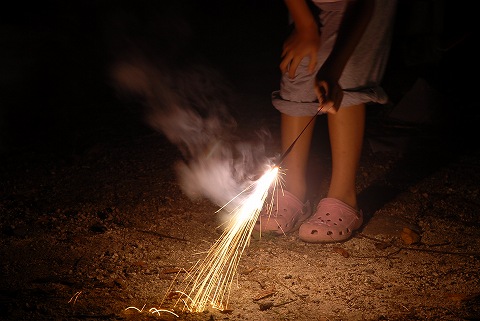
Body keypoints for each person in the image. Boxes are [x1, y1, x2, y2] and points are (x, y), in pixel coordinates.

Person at [254, 0, 397, 242]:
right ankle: (292, 189)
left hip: (364, 8)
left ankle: (344, 197)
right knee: (298, 67)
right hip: (314, 5)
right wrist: (306, 26)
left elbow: (363, 8)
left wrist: (333, 69)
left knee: (347, 75)